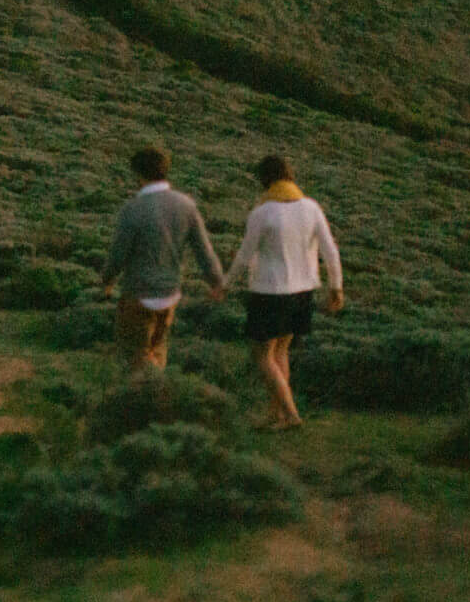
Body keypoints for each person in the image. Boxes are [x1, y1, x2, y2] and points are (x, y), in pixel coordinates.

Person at [218, 154, 343, 429]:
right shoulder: (311, 207)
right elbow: (330, 251)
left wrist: (225, 284)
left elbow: (244, 255)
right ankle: (275, 415)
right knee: (280, 353)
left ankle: (291, 414)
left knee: (262, 356)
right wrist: (336, 287)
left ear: (264, 181)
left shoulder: (262, 213)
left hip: (269, 291)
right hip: (302, 291)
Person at [99, 145, 225, 371]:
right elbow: (204, 251)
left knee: (134, 358)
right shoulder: (186, 205)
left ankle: (141, 399)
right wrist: (216, 282)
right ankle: (158, 394)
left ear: (138, 174)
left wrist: (107, 280)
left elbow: (118, 255)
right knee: (157, 351)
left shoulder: (133, 209)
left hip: (138, 294)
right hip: (170, 295)